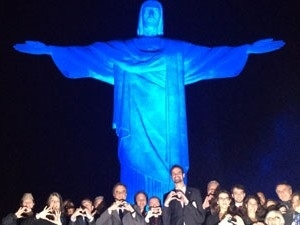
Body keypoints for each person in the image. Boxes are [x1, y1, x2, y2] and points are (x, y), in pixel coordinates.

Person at [13, 0, 285, 201]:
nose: (153, 15)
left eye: (157, 11)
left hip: (168, 127)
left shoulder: (176, 49)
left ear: (161, 17)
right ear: (142, 17)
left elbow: (210, 57)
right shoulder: (125, 49)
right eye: (148, 11)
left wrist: (247, 49)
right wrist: (50, 50)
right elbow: (91, 54)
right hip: (135, 123)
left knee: (172, 175)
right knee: (133, 169)